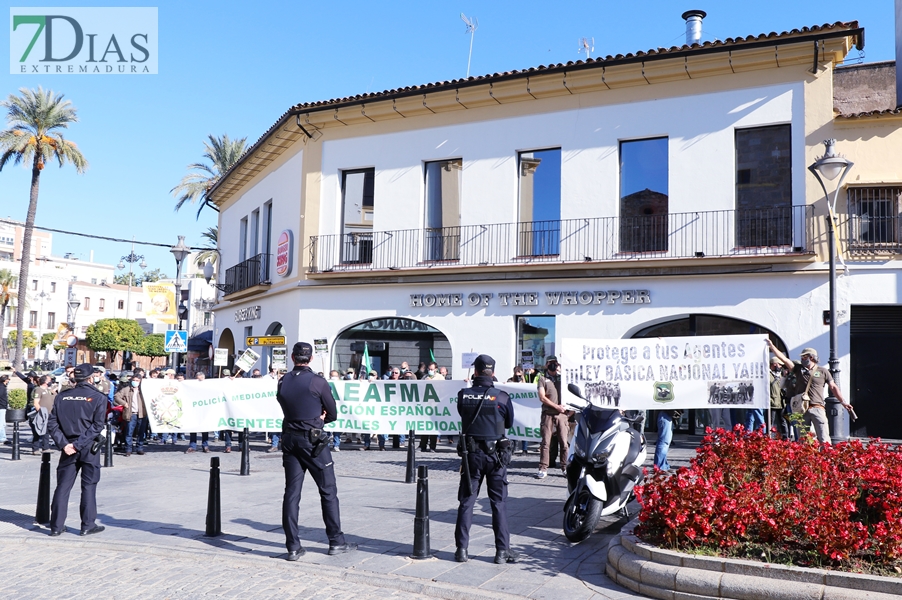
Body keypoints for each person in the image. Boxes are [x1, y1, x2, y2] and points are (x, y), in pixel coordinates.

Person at [277, 341, 356, 560]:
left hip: (290, 438)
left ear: (292, 358)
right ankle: (336, 541)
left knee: (291, 493)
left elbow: (284, 404)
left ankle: (293, 546)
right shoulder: (317, 381)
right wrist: (320, 418)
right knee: (328, 490)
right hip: (312, 440)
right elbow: (333, 413)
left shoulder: (282, 380)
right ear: (310, 358)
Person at [454, 354, 517, 564]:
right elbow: (508, 423)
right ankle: (501, 552)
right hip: (496, 457)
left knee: (467, 502)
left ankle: (461, 550)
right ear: (493, 373)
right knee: (498, 503)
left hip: (471, 456)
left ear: (476, 372)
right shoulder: (502, 397)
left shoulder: (464, 395)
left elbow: (462, 414)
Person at [47, 363, 107, 536]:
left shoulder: (62, 396)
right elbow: (97, 426)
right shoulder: (98, 397)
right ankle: (87, 525)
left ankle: (56, 526)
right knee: (88, 486)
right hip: (87, 446)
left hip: (68, 447)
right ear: (91, 378)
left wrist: (64, 444)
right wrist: (77, 444)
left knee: (63, 487)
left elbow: (52, 423)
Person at [766, 340, 852, 444]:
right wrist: (772, 346)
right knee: (803, 440)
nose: (802, 359)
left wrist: (843, 402)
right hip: (802, 409)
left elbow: (833, 387)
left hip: (818, 408)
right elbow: (784, 359)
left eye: (804, 357)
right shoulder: (798, 369)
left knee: (824, 438)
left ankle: (826, 457)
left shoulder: (823, 371)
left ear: (811, 357)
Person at [536, 356, 569, 479]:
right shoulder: (542, 379)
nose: (553, 365)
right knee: (546, 442)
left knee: (564, 443)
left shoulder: (563, 379)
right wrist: (556, 406)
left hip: (562, 415)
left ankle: (565, 467)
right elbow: (542, 397)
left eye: (555, 363)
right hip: (548, 414)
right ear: (546, 365)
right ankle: (543, 468)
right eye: (550, 363)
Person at [114, 374, 148, 457]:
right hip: (131, 413)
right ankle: (128, 449)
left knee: (141, 432)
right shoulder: (126, 389)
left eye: (137, 381)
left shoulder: (144, 390)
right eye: (134, 380)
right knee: (129, 432)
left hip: (142, 414)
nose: (135, 382)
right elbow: (116, 396)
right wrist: (124, 403)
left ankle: (139, 448)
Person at [31, 375, 56, 454]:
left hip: (50, 413)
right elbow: (36, 403)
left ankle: (46, 447)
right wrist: (40, 412)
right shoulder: (39, 390)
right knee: (38, 431)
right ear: (45, 382)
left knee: (46, 431)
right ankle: (35, 449)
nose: (51, 381)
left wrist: (53, 391)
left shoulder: (49, 390)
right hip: (42, 414)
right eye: (49, 380)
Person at [768, 357, 788, 439]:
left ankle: (785, 437)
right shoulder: (768, 375)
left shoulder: (781, 375)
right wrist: (769, 400)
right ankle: (768, 438)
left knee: (783, 421)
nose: (780, 366)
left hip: (781, 402)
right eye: (779, 364)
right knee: (770, 421)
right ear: (774, 364)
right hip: (772, 402)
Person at [0, 374, 9, 445]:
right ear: (5, 380)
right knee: (2, 424)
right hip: (1, 407)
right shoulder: (2, 387)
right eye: (8, 379)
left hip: (2, 406)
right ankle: (2, 438)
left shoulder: (2, 387)